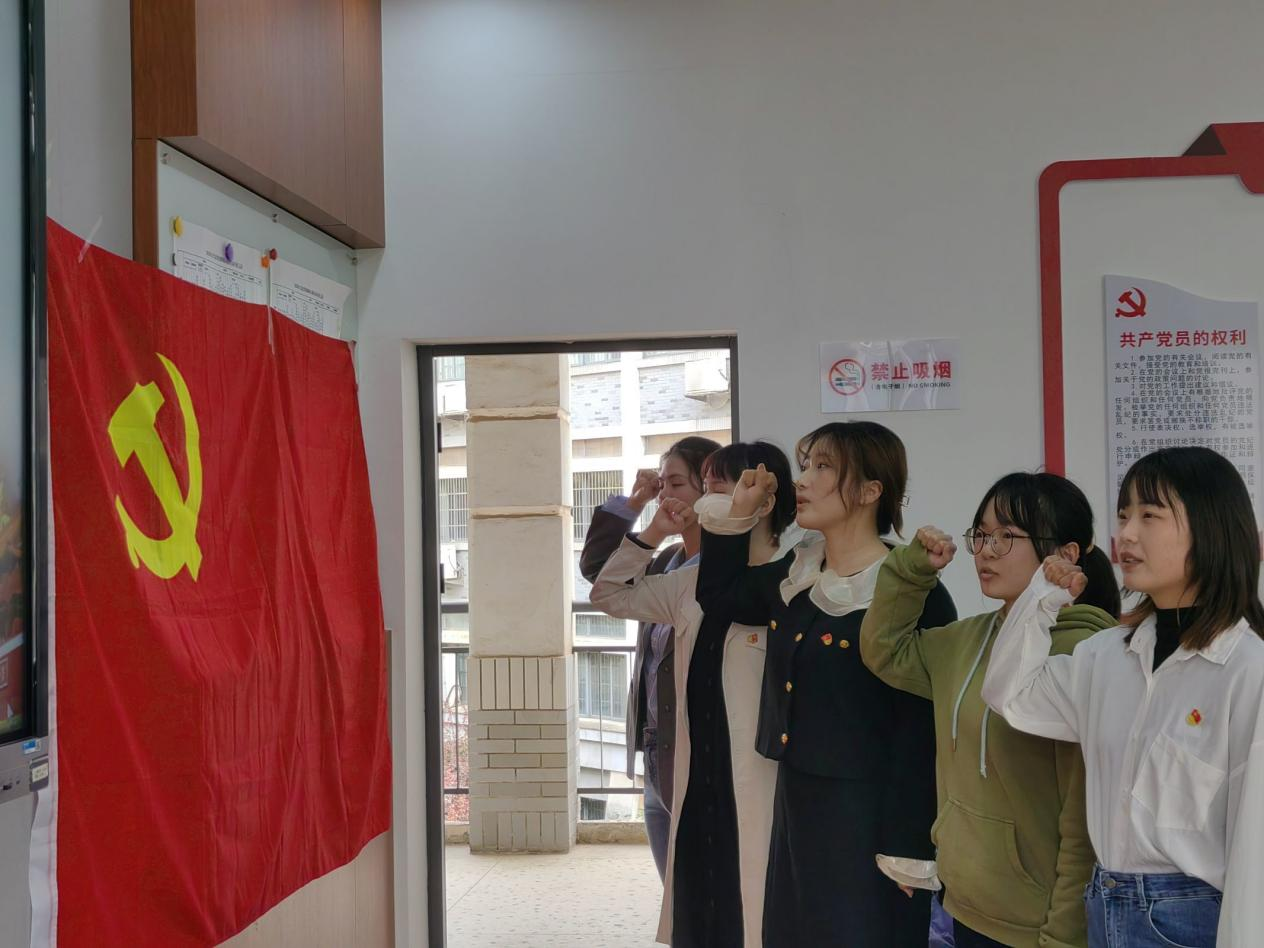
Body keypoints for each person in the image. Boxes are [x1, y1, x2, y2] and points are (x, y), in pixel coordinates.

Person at [982, 447, 1264, 948]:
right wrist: (1041, 599)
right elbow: (1009, 694)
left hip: (1195, 922)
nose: (1127, 534)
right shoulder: (1106, 656)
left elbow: (1254, 852)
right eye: (1123, 515)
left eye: (1149, 516)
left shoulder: (1248, 671)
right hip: (1106, 908)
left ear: (1211, 528)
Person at [695, 420, 956, 947]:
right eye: (805, 465)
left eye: (823, 467)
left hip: (870, 817)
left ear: (870, 490)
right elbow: (719, 597)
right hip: (796, 803)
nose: (803, 480)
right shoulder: (799, 572)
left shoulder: (912, 589)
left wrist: (909, 847)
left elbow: (921, 730)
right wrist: (740, 512)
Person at [861, 472, 1119, 948]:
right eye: (981, 534)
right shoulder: (965, 640)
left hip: (1035, 926)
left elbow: (1082, 821)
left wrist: (1064, 934)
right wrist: (912, 570)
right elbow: (885, 651)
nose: (986, 551)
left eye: (1007, 536)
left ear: (1064, 554)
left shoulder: (1084, 654)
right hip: (964, 905)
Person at [590, 441, 801, 948]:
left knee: (758, 910)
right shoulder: (691, 581)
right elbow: (609, 594)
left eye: (718, 488)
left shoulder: (799, 575)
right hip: (697, 772)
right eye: (703, 487)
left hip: (764, 777)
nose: (705, 500)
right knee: (702, 908)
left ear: (764, 498)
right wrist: (653, 533)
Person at [580, 435, 720, 879]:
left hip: (697, 753)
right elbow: (598, 574)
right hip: (657, 751)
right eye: (661, 484)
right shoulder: (667, 561)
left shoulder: (725, 572)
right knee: (673, 893)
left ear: (710, 491)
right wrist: (635, 504)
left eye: (676, 484)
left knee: (697, 890)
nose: (665, 496)